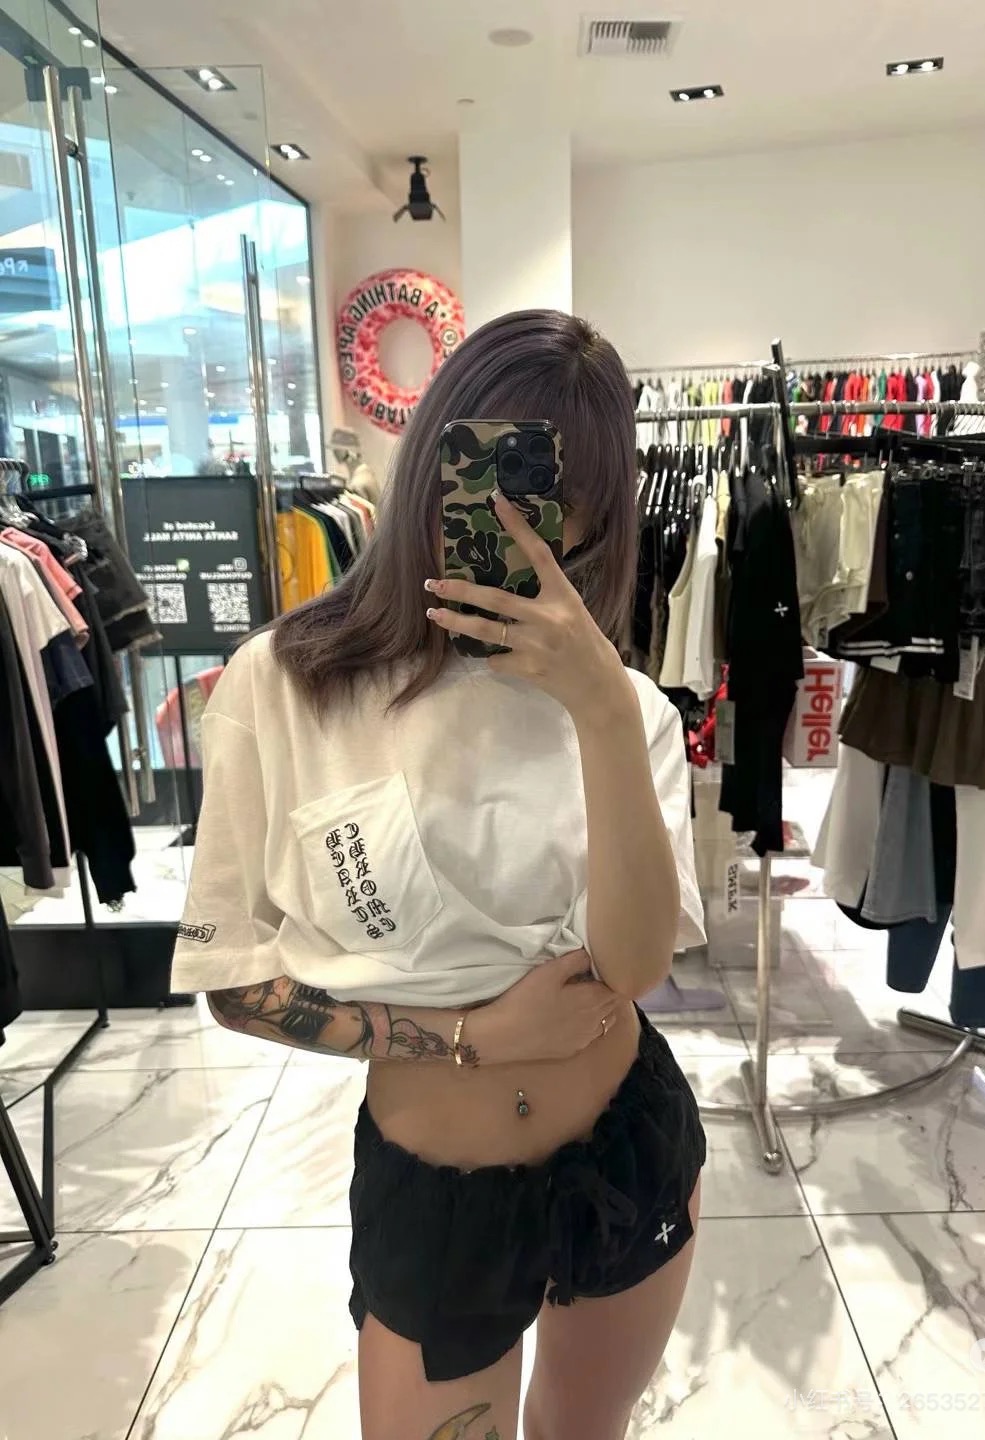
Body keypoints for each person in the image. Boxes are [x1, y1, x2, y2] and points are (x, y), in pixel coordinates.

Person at [171, 309, 708, 1440]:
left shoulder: (625, 709)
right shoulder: (283, 686)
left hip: (628, 1145)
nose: (520, 519)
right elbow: (235, 983)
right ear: (434, 459)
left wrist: (605, 711)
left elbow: (634, 966)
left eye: (559, 494)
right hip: (436, 1191)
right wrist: (473, 1038)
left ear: (601, 516)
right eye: (492, 470)